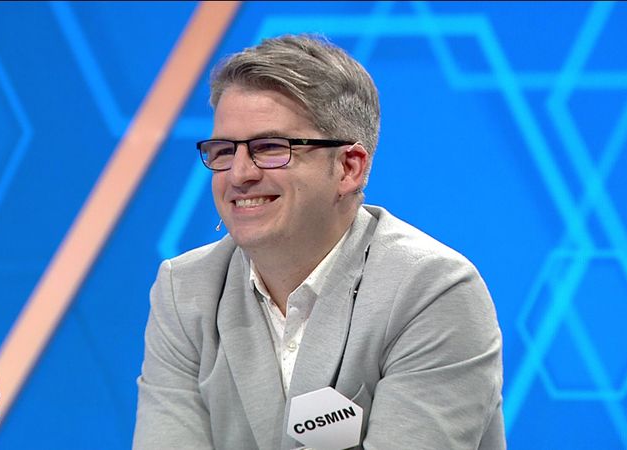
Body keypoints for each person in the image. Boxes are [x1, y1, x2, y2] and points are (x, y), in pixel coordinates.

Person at [134, 34, 505, 450]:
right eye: (223, 150)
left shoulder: (432, 291)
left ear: (349, 167)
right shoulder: (184, 290)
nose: (238, 174)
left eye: (269, 148)